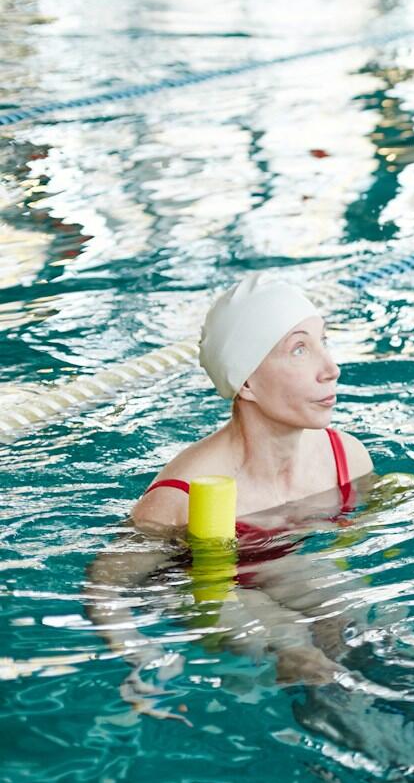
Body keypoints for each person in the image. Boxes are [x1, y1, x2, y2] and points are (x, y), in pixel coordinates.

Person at [89, 276, 378, 702]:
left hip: (277, 560)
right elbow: (104, 587)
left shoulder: (345, 459)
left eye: (324, 341)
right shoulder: (179, 496)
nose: (331, 367)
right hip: (196, 578)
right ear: (246, 383)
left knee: (358, 619)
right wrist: (142, 653)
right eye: (299, 349)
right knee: (289, 643)